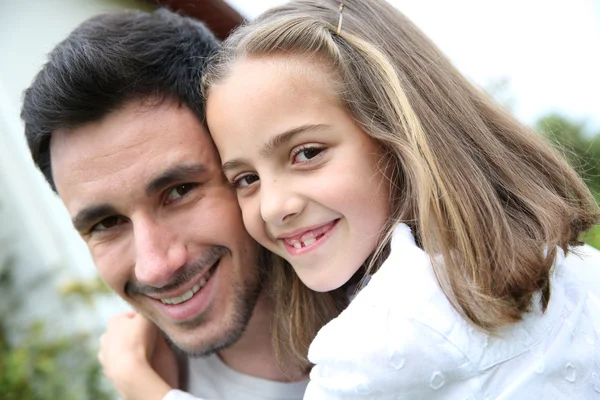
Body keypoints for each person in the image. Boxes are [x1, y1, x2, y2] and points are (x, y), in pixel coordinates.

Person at [100, 0, 600, 399]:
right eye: (246, 179)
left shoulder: (377, 337)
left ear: (398, 133)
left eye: (307, 153)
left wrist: (141, 386)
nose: (275, 206)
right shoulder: (575, 268)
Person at [20, 8, 346, 400]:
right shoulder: (156, 378)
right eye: (106, 223)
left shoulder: (412, 297)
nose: (156, 267)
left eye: (178, 191)